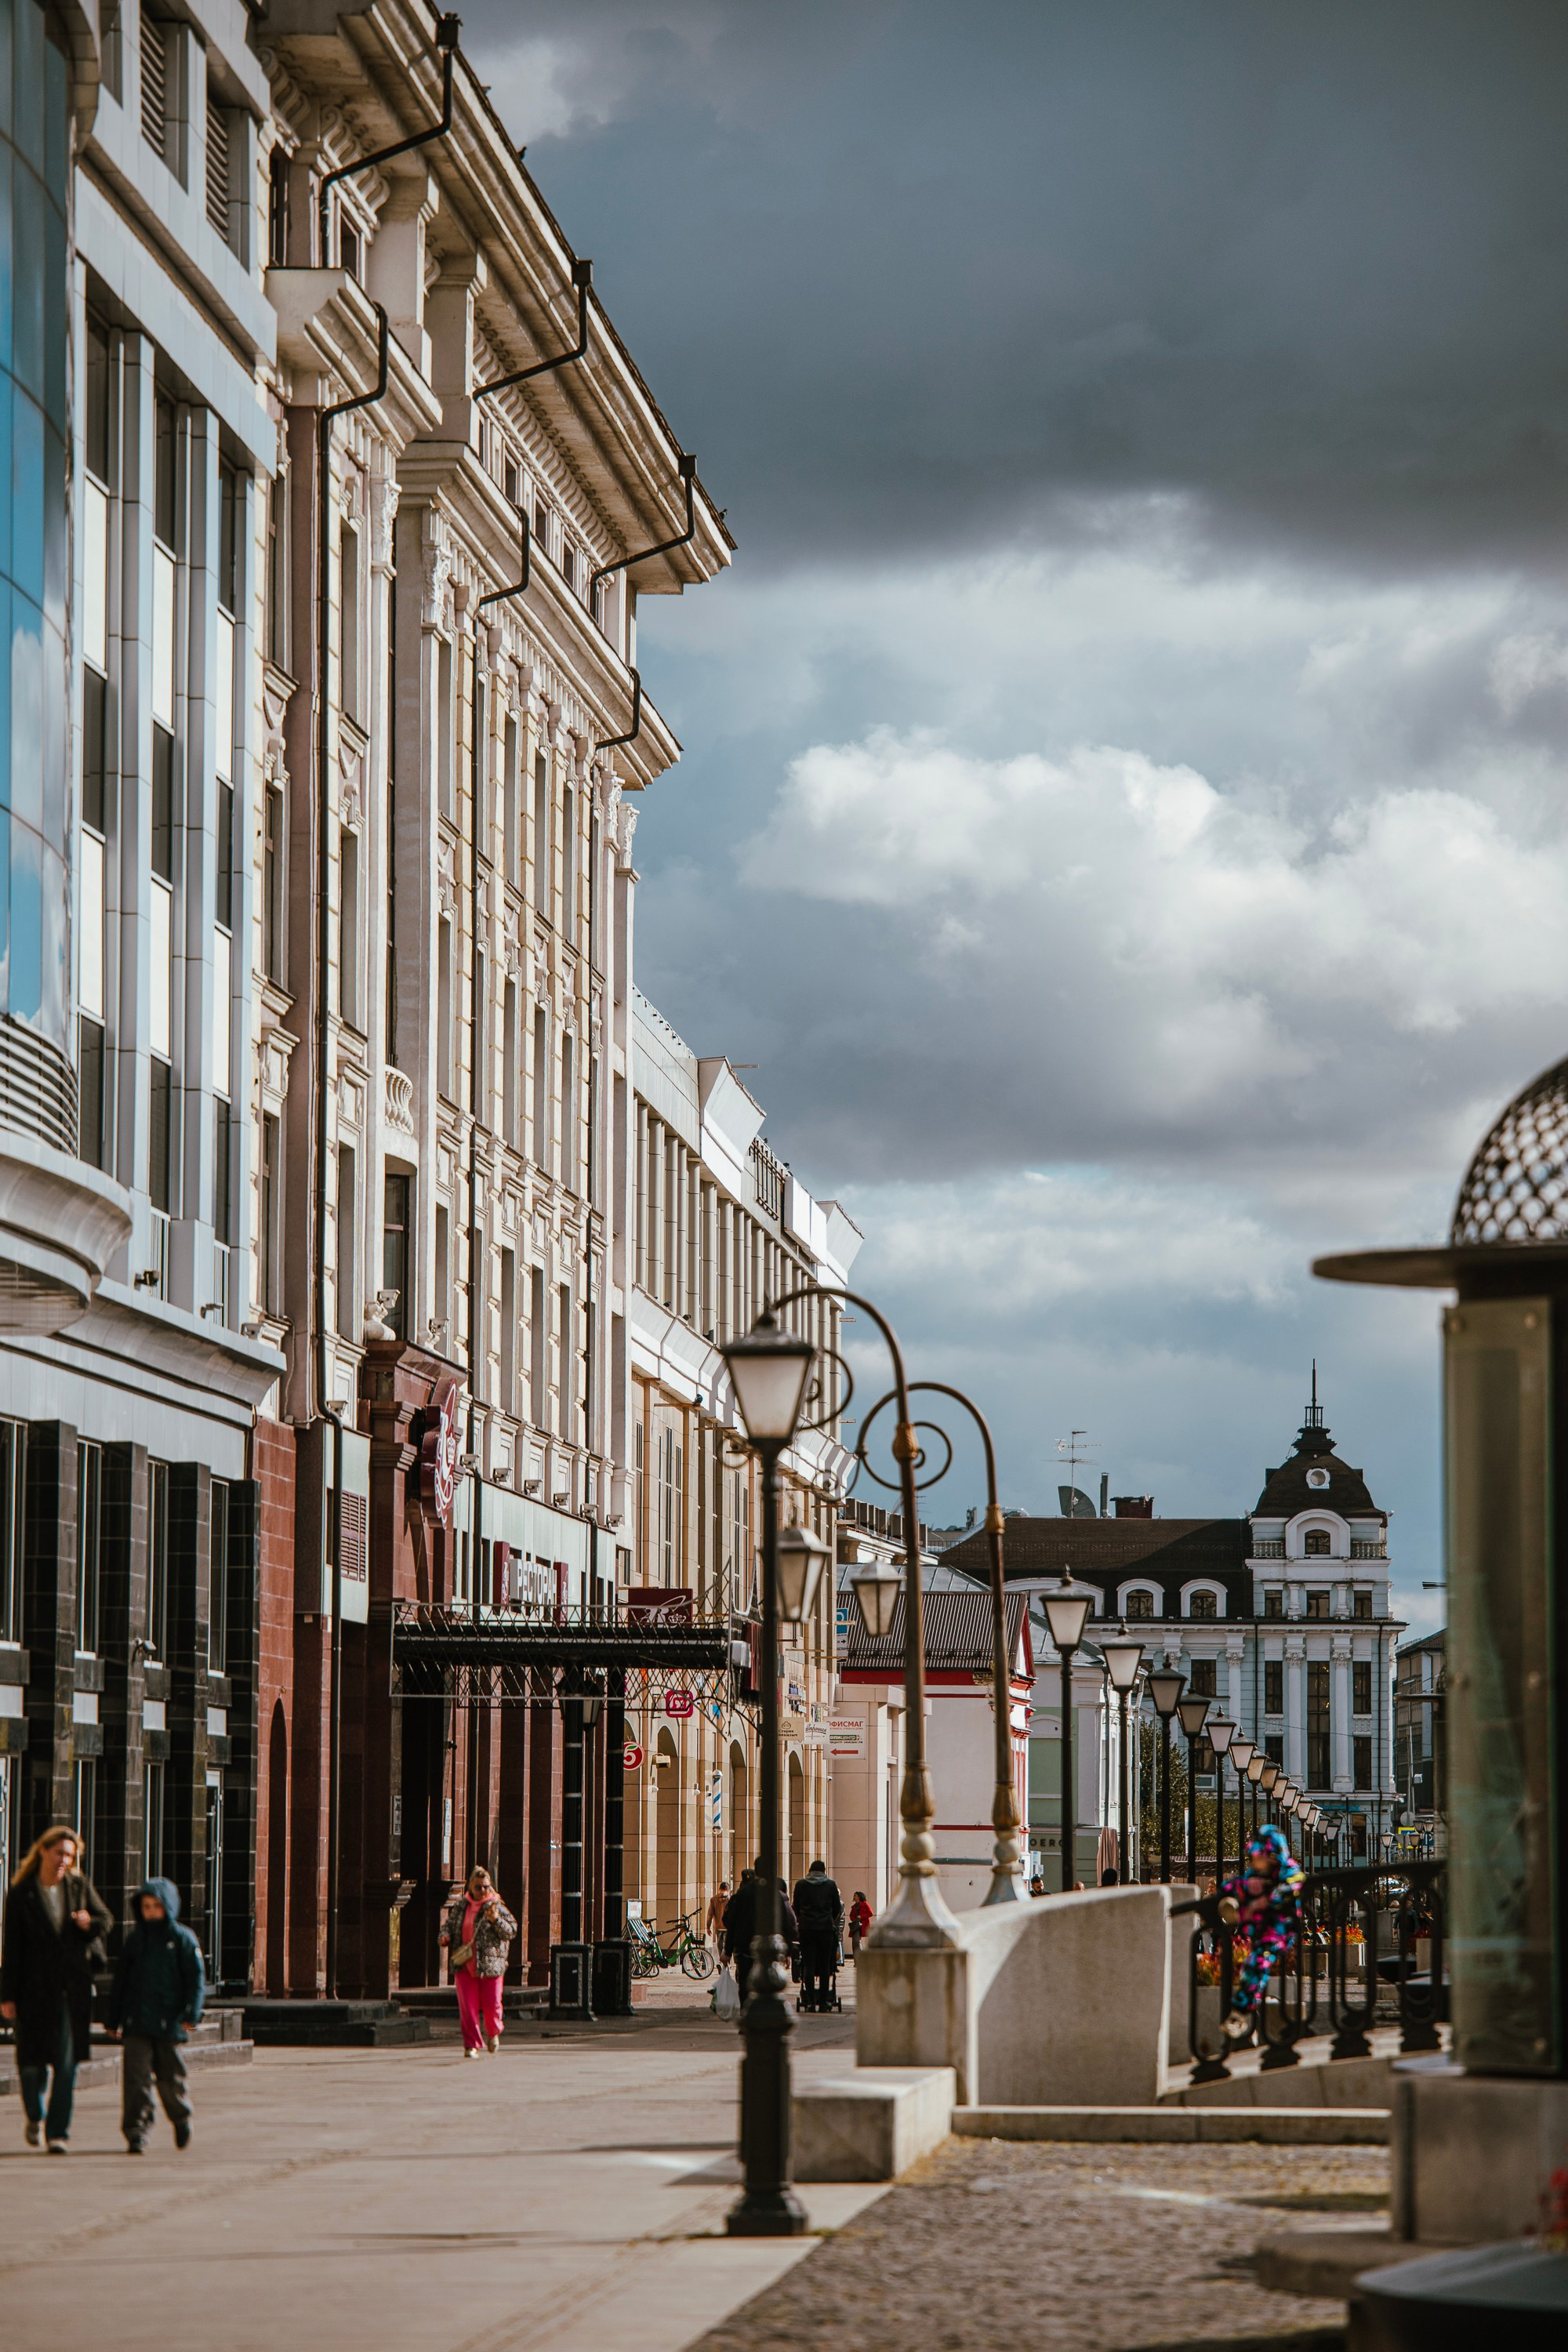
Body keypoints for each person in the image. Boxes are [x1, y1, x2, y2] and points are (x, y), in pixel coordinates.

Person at [0, 1824, 113, 2152]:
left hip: (70, 1989)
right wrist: (7, 1995)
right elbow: (12, 1949)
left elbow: (106, 1919)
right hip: (32, 1990)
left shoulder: (78, 1886)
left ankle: (58, 2133)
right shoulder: (21, 1894)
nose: (64, 1860)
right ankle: (35, 2114)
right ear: (43, 1851)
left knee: (66, 2063)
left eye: (70, 1855)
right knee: (31, 2062)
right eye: (59, 1853)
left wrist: (88, 1922)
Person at [103, 1878, 205, 2153]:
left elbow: (195, 1979)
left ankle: (180, 2117)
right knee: (137, 2080)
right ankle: (137, 2131)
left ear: (169, 1907)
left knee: (171, 2078)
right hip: (136, 2021)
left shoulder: (182, 1939)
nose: (151, 1912)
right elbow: (121, 1982)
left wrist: (191, 2012)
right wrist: (113, 2019)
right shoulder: (136, 1940)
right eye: (146, 1907)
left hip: (170, 2021)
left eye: (157, 1906)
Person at [439, 1865, 517, 2057]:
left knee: (492, 2006)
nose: (483, 1890)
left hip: (491, 1966)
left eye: (486, 1887)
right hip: (465, 1965)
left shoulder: (496, 1906)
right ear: (470, 1887)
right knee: (468, 2008)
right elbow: (448, 1926)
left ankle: (493, 2032)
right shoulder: (462, 1906)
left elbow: (511, 1931)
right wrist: (445, 1937)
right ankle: (471, 2045)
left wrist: (496, 1920)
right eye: (478, 1887)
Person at [721, 1857, 797, 2008]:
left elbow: (733, 1923)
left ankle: (746, 2010)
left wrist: (728, 1951)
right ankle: (766, 2010)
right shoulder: (774, 1893)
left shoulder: (743, 1893)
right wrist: (788, 1951)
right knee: (770, 1982)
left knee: (745, 1983)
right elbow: (785, 1923)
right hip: (769, 1946)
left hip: (745, 1946)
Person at [791, 1859, 844, 2012]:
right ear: (824, 1871)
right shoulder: (830, 1885)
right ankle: (823, 2002)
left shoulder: (801, 1885)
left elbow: (796, 1906)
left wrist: (803, 1919)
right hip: (825, 1930)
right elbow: (837, 1907)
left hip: (807, 1929)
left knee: (808, 1964)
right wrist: (828, 1919)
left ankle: (810, 2002)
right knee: (824, 1965)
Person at [705, 1882, 729, 1947]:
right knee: (727, 1948)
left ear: (719, 1889)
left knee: (720, 1948)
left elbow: (710, 1914)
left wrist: (708, 1927)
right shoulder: (730, 1900)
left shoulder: (713, 1900)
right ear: (728, 1890)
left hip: (718, 1927)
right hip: (728, 1927)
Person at [848, 1891, 872, 1958]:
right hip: (856, 1925)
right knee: (855, 1942)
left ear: (859, 1897)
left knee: (856, 1941)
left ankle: (860, 1957)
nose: (854, 1897)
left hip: (863, 1925)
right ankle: (857, 1957)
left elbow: (870, 1913)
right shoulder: (854, 1906)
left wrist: (861, 1916)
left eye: (855, 1895)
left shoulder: (865, 1904)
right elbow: (851, 1915)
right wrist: (855, 1920)